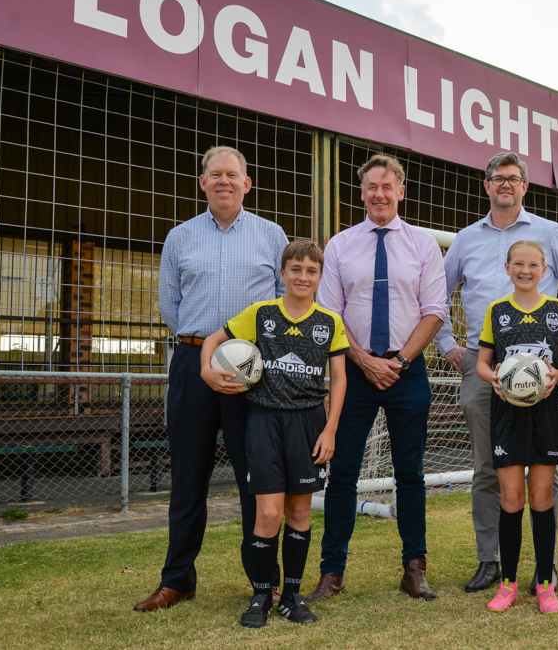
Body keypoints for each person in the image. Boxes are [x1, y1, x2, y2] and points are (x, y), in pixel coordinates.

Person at [139, 146, 287, 613]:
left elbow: (283, 304)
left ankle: (265, 581)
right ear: (201, 182)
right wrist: (203, 350)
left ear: (248, 183)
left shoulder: (272, 235)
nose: (223, 181)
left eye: (232, 174)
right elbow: (169, 305)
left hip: (254, 371)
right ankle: (177, 579)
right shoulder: (179, 237)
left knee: (256, 479)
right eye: (214, 174)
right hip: (191, 363)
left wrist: (250, 353)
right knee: (187, 478)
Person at [435, 151, 558, 594]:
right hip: (485, 372)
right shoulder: (464, 240)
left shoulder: (550, 234)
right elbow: (436, 295)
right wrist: (449, 347)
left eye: (513, 178)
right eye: (497, 178)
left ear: (525, 186)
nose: (505, 184)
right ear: (486, 185)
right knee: (487, 468)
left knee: (544, 470)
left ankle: (546, 565)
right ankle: (490, 560)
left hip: (543, 380)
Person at [310, 154, 447, 602]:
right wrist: (365, 361)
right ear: (362, 191)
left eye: (387, 186)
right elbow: (330, 313)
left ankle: (414, 568)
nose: (379, 194)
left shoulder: (424, 245)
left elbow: (434, 312)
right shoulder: (340, 246)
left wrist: (401, 362)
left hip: (407, 370)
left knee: (410, 472)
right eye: (371, 186)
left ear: (401, 192)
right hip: (353, 369)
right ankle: (332, 572)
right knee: (342, 473)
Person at [199, 239, 349, 627]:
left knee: (299, 511)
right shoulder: (261, 313)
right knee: (267, 513)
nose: (302, 276)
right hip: (264, 421)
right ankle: (262, 595)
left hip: (309, 423)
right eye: (295, 269)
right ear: (282, 274)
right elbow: (215, 340)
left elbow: (339, 378)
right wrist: (206, 368)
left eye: (310, 271)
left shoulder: (329, 322)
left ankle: (294, 596)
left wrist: (330, 430)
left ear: (320, 277)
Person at [476, 240, 558, 614]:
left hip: (546, 411)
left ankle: (544, 585)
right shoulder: (497, 311)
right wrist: (495, 379)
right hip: (507, 413)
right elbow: (483, 364)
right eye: (518, 264)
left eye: (533, 264)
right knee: (511, 499)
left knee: (541, 499)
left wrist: (555, 377)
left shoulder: (556, 310)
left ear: (544, 270)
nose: (525, 270)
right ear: (507, 268)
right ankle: (507, 584)